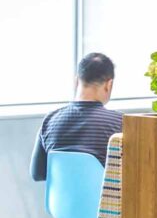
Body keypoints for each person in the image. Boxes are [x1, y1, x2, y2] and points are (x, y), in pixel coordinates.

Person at [30, 53, 124, 182]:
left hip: (61, 202)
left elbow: (37, 174)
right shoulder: (120, 123)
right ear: (109, 85)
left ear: (76, 81)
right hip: (103, 202)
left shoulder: (50, 121)